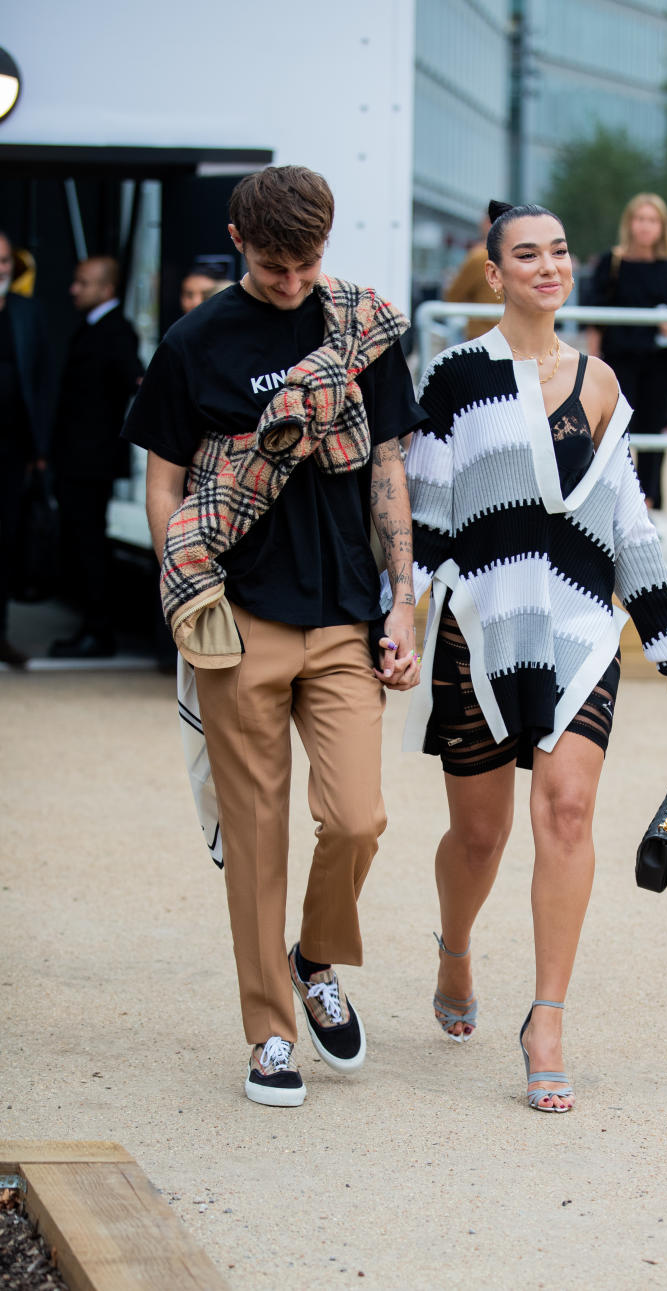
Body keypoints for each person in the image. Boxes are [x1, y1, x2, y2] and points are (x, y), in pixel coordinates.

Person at [399, 199, 667, 1112]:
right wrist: (399, 616)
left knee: (569, 812)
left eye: (561, 252)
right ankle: (456, 948)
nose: (550, 266)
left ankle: (547, 1017)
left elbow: (627, 522)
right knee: (480, 834)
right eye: (527, 255)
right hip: (482, 622)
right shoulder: (458, 376)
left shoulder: (603, 381)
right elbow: (424, 512)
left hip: (580, 627)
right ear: (494, 274)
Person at [122, 165, 424, 1108]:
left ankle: (317, 955)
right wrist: (184, 585)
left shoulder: (357, 328)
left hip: (341, 614)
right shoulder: (194, 342)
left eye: (309, 262)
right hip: (241, 618)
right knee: (256, 838)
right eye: (276, 263)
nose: (294, 280)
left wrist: (403, 596)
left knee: (360, 818)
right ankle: (268, 1034)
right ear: (237, 239)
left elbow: (385, 467)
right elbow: (166, 479)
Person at [48, 256, 143, 658]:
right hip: (76, 459)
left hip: (92, 461)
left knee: (89, 544)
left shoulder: (116, 331)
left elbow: (137, 381)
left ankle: (98, 629)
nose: (74, 289)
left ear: (106, 289)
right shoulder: (93, 328)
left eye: (82, 283)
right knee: (80, 541)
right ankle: (91, 625)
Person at [585, 193, 667, 510]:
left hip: (657, 365)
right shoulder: (612, 263)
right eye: (640, 219)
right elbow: (595, 318)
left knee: (653, 432)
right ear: (629, 223)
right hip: (618, 363)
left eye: (652, 220)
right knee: (614, 432)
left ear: (662, 227)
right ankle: (614, 499)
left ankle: (645, 503)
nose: (645, 226)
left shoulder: (666, 269)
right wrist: (594, 364)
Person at [0, 230, 50, 666]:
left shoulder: (27, 312)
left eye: (3, 262)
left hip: (12, 453)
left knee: (6, 541)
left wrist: (39, 450)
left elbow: (40, 381)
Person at [443, 215, 501, 340]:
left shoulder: (479, 256)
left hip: (482, 335)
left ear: (487, 223)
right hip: (516, 337)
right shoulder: (521, 256)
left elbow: (453, 295)